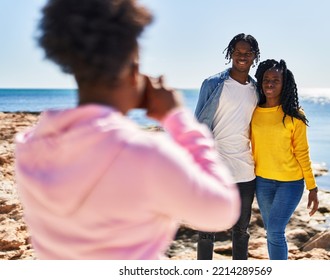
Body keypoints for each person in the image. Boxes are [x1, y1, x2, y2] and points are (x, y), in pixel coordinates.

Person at [14, 0, 241, 260]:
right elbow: (222, 211)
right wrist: (178, 120)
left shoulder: (30, 145)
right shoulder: (146, 154)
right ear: (134, 72)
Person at [194, 33, 260, 260]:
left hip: (245, 170)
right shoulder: (212, 84)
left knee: (241, 232)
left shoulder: (257, 90)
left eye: (247, 53)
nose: (242, 56)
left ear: (254, 57)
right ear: (231, 53)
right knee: (206, 231)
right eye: (238, 52)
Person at [251, 59, 319, 260]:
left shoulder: (294, 115)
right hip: (262, 181)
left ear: (284, 83)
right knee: (271, 232)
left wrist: (312, 187)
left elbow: (302, 152)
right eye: (266, 79)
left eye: (276, 80)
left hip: (290, 183)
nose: (270, 83)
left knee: (275, 231)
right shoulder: (253, 111)